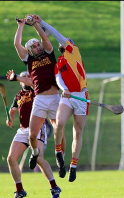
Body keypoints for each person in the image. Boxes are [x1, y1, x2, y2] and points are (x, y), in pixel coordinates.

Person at [32, 15, 90, 182]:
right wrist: (64, 89)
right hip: (68, 95)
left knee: (77, 132)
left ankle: (73, 166)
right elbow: (58, 78)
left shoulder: (74, 50)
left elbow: (56, 34)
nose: (63, 41)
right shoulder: (59, 62)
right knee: (59, 121)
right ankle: (59, 152)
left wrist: (42, 23)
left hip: (81, 96)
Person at [8, 14, 66, 178]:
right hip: (40, 99)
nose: (36, 47)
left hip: (54, 97)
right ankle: (34, 153)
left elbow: (44, 37)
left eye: (37, 44)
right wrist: (20, 26)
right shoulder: (28, 60)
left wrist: (34, 24)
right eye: (32, 46)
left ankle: (61, 159)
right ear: (29, 50)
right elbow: (16, 44)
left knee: (59, 129)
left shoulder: (48, 52)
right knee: (32, 134)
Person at [6, 71, 61, 198]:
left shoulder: (36, 91)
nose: (26, 78)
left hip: (37, 128)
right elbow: (13, 111)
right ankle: (19, 190)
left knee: (39, 159)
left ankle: (54, 187)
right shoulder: (18, 95)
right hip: (22, 130)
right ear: (20, 82)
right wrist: (10, 119)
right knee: (11, 159)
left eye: (28, 76)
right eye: (23, 77)